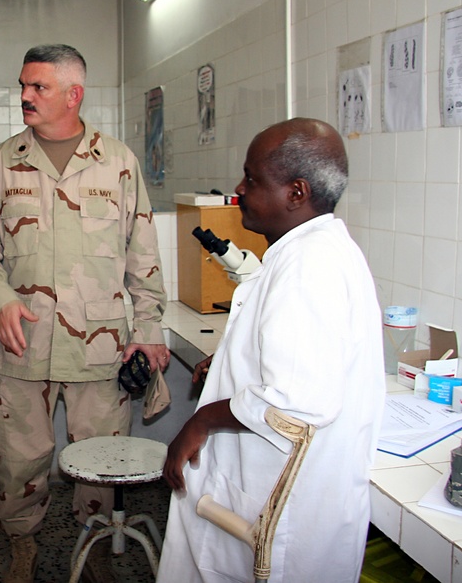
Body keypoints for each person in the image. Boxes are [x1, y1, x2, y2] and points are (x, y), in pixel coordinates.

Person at [0, 44, 170, 583]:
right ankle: (22, 545)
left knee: (101, 458)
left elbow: (143, 256)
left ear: (73, 94)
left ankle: (95, 539)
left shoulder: (118, 163)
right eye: (23, 86)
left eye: (38, 87)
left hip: (99, 346)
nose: (25, 96)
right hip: (21, 342)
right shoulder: (0, 165)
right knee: (17, 461)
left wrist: (148, 331)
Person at [158, 118, 385, 583]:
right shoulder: (307, 250)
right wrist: (226, 363)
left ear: (296, 193)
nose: (239, 189)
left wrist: (200, 421)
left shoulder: (309, 266)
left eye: (252, 179)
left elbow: (295, 400)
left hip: (282, 513)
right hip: (265, 489)